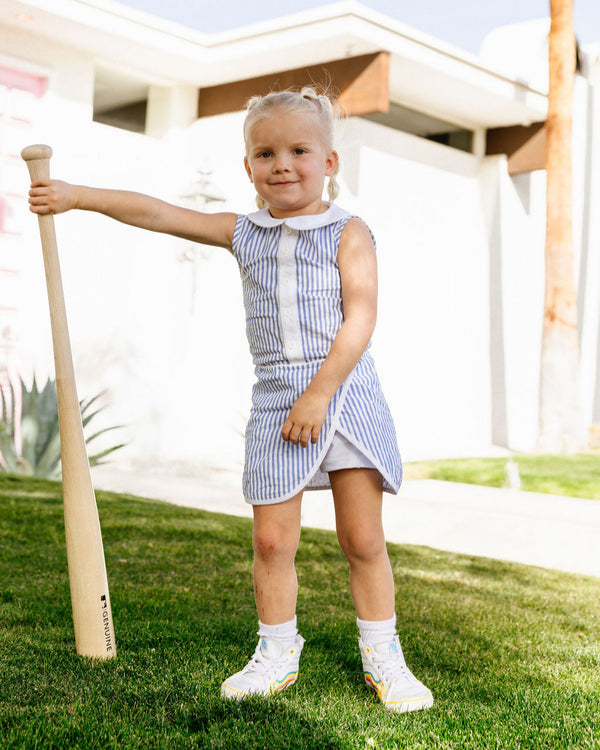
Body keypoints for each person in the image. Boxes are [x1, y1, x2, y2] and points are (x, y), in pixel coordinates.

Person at [28, 87, 433, 713]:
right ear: (248, 169)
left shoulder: (348, 232)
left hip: (345, 392)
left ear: (329, 162)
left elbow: (362, 318)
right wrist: (77, 197)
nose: (282, 164)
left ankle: (385, 657)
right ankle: (276, 652)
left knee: (362, 540)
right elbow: (159, 213)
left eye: (300, 150)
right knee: (271, 542)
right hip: (276, 398)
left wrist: (321, 393)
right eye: (265, 153)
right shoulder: (244, 233)